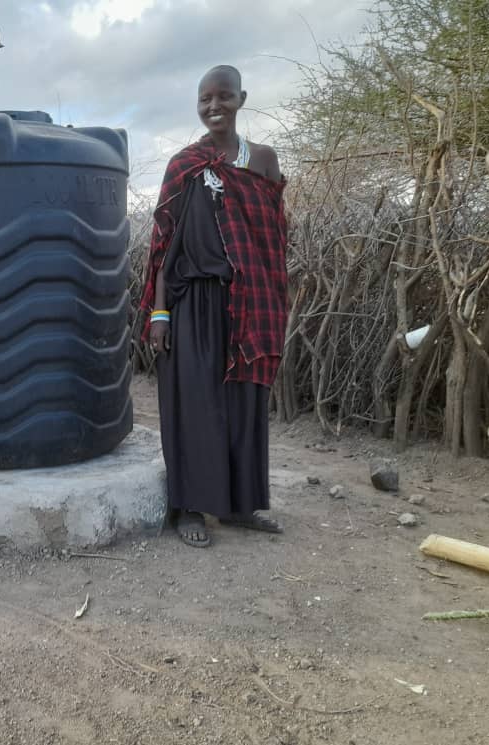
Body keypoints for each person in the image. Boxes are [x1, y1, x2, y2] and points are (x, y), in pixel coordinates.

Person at [141, 65, 288, 548]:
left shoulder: (263, 161)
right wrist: (159, 314)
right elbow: (164, 247)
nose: (213, 107)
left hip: (248, 302)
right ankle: (189, 509)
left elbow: (273, 242)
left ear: (241, 98)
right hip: (193, 303)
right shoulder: (185, 165)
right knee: (195, 406)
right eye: (205, 99)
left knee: (244, 405)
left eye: (223, 96)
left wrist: (272, 297)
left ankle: (240, 507)